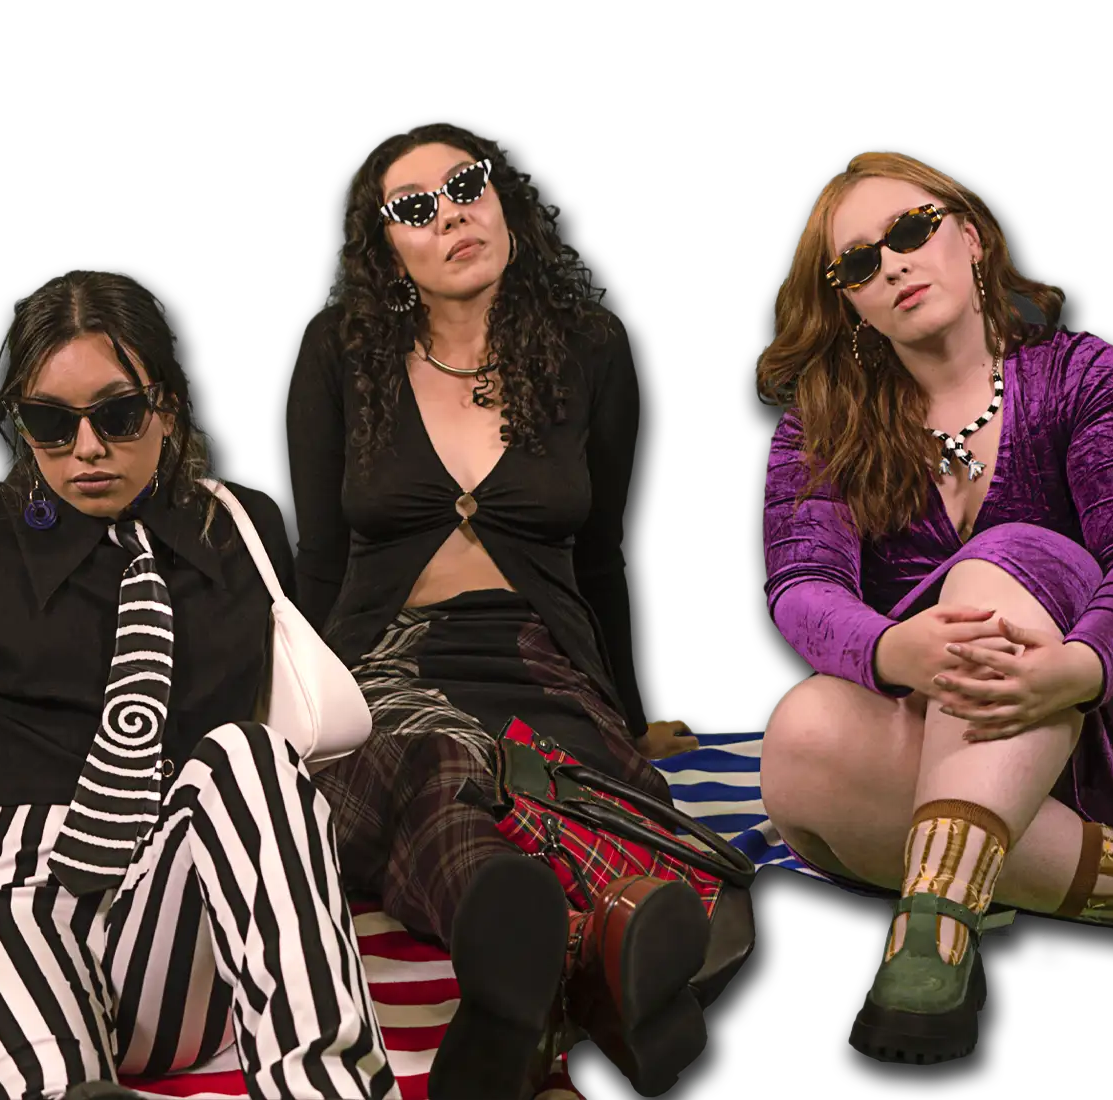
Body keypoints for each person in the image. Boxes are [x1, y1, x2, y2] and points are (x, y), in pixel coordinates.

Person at [753, 151, 1113, 1066]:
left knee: (1007, 554)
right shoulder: (821, 424)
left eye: (911, 231)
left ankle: (933, 928)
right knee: (799, 737)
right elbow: (801, 586)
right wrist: (893, 652)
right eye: (861, 262)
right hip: (943, 747)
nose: (895, 264)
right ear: (850, 304)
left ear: (971, 238)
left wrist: (1077, 667)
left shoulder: (1084, 375)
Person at [0, 269, 399, 1100]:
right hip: (6, 888)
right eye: (51, 423)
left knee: (252, 755)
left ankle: (326, 1087)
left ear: (167, 406)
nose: (87, 448)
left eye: (118, 415)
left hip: (176, 912)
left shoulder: (241, 527)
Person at [285, 121, 709, 1100]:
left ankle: (522, 1007)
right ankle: (571, 970)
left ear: (503, 196)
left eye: (466, 185)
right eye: (415, 207)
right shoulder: (338, 351)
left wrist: (629, 713)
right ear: (386, 247)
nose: (451, 215)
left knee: (584, 799)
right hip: (383, 658)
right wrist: (295, 712)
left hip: (537, 654)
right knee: (433, 764)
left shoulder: (592, 347)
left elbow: (602, 556)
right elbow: (316, 557)